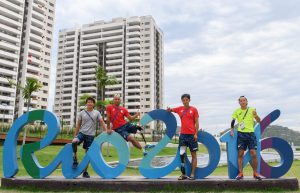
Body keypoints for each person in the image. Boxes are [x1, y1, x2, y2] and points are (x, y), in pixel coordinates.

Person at [72, 97, 107, 178]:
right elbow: (78, 125)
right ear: (86, 103)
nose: (90, 103)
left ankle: (85, 172)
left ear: (93, 104)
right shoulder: (81, 113)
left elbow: (102, 122)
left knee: (88, 154)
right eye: (88, 102)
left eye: (91, 102)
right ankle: (75, 159)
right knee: (74, 142)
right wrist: (75, 135)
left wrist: (106, 131)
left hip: (90, 136)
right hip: (82, 133)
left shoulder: (97, 113)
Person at [167, 94, 199, 180]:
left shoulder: (194, 109)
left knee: (194, 155)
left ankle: (192, 174)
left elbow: (197, 123)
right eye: (183, 100)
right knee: (182, 154)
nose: (185, 101)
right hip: (183, 135)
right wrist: (169, 109)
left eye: (186, 100)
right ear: (182, 101)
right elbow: (172, 110)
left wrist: (196, 133)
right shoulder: (180, 109)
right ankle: (183, 174)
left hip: (192, 135)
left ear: (189, 100)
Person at [230, 96, 262, 180]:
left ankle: (255, 173)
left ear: (247, 102)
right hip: (241, 134)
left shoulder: (252, 110)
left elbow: (259, 121)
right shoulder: (236, 111)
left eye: (244, 100)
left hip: (251, 134)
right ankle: (240, 173)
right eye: (241, 101)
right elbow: (233, 121)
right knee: (240, 154)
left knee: (253, 154)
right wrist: (232, 130)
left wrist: (256, 115)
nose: (243, 102)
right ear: (239, 103)